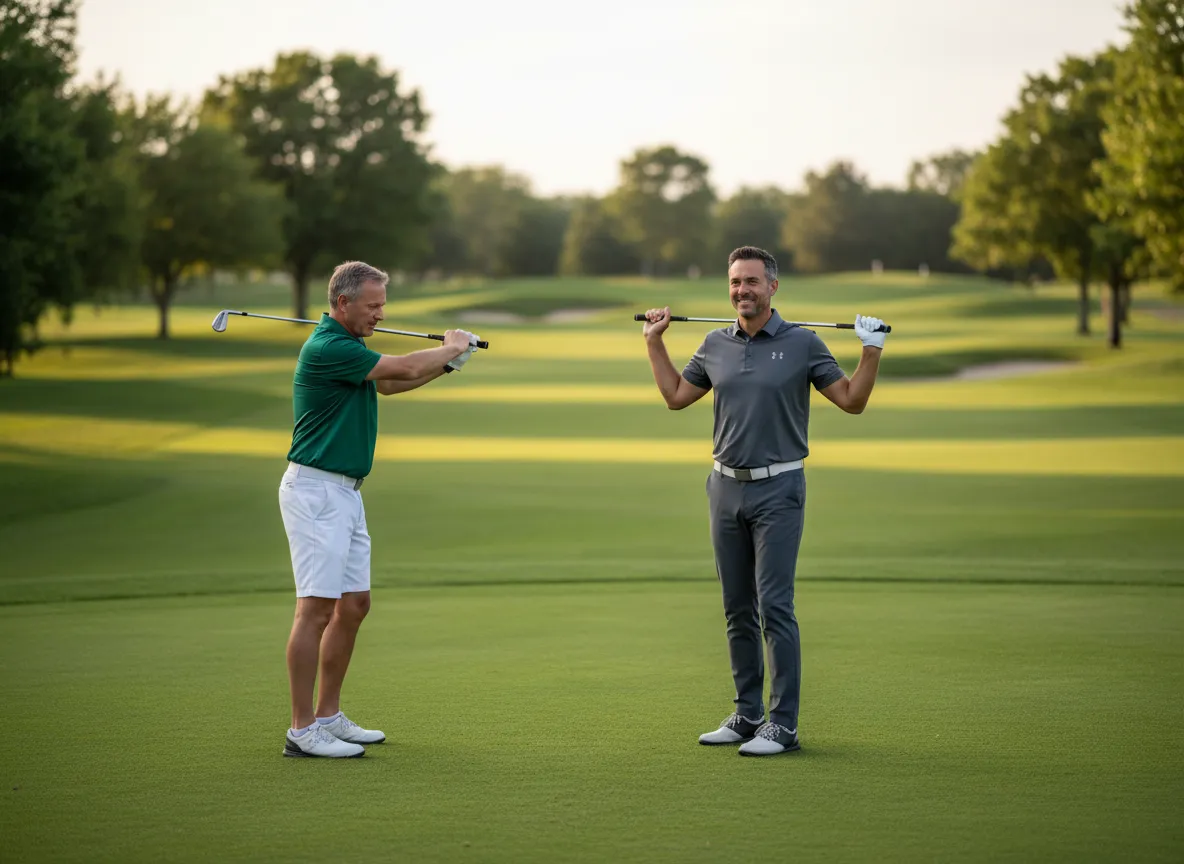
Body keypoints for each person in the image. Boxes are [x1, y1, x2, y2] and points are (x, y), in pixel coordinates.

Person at [640, 245, 888, 757]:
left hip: (779, 489)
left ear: (773, 287)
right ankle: (748, 713)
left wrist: (871, 351)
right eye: (735, 282)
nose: (741, 291)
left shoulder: (803, 344)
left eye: (751, 282)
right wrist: (653, 343)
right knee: (736, 607)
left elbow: (852, 401)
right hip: (723, 486)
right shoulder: (714, 343)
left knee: (775, 605)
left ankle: (783, 723)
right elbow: (675, 397)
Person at [279, 260, 480, 758]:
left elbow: (389, 384)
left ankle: (330, 715)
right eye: (372, 306)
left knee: (354, 605)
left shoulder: (350, 348)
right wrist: (449, 347)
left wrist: (448, 364)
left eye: (382, 306)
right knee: (316, 610)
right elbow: (403, 367)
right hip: (316, 492)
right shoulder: (328, 347)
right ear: (342, 303)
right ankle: (302, 730)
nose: (380, 314)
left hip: (345, 493)